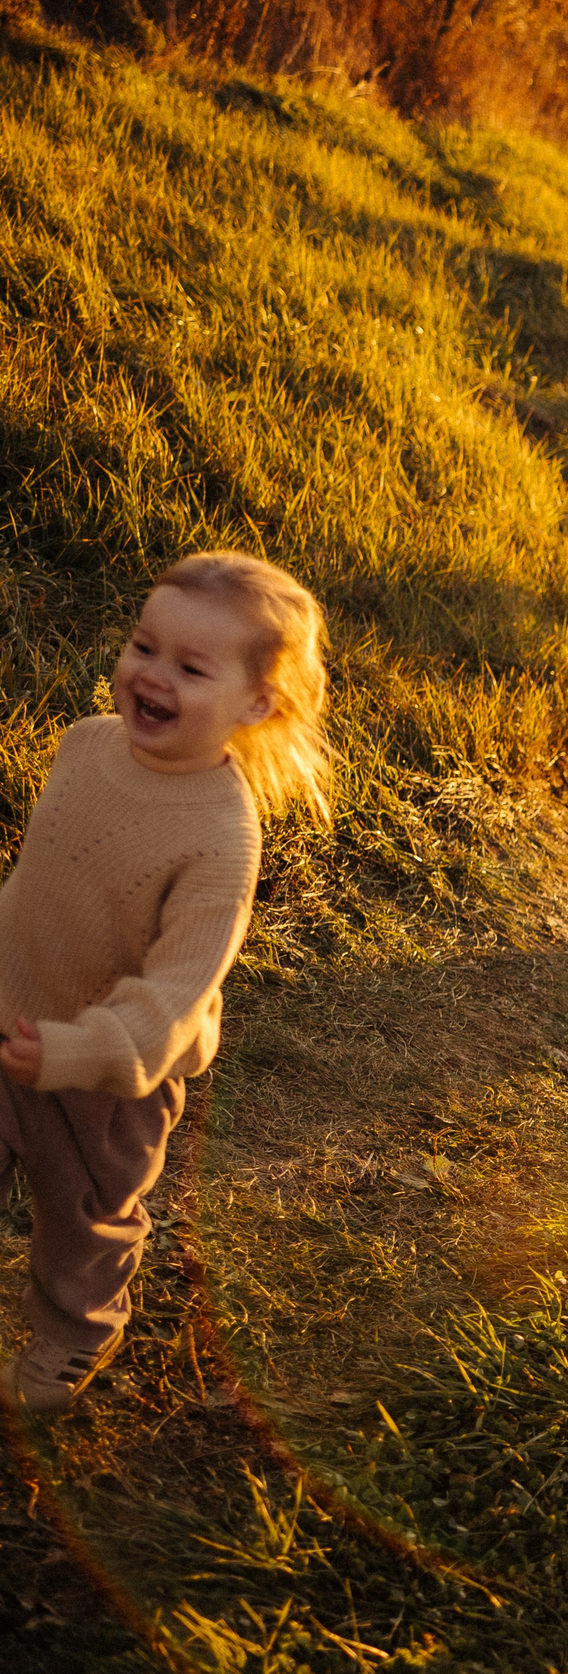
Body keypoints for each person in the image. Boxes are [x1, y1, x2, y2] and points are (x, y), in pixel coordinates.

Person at [0, 553, 333, 1414]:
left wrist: (79, 1051)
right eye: (146, 646)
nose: (152, 675)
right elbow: (41, 887)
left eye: (190, 668)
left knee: (85, 1218)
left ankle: (75, 1332)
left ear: (255, 705)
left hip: (113, 1076)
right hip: (12, 1014)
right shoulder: (84, 744)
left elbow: (173, 994)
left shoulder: (221, 838)